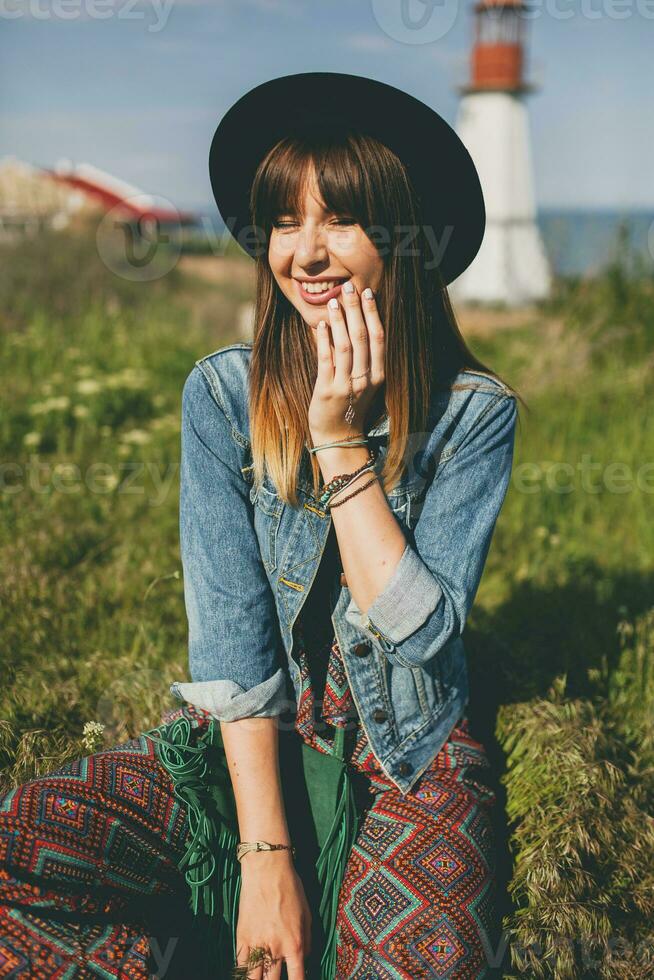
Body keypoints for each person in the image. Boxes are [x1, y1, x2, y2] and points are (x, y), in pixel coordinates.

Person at [0, 72, 521, 979]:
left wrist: (340, 443)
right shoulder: (220, 396)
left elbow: (424, 641)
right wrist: (265, 860)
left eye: (340, 220)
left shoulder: (472, 414)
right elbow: (234, 654)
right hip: (253, 748)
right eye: (285, 221)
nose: (306, 253)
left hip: (406, 755)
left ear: (401, 242)